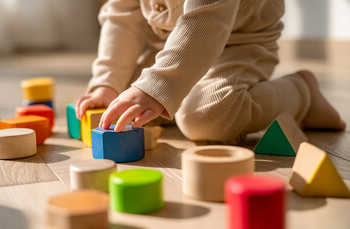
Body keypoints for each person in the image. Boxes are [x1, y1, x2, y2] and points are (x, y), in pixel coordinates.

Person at [74, 0, 345, 143]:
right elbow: (122, 16)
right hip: (170, 45)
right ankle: (175, 94)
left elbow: (206, 20)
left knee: (205, 118)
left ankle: (301, 92)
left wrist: (158, 87)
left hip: (240, 44)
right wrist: (107, 83)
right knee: (127, 103)